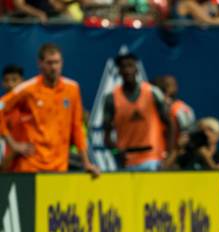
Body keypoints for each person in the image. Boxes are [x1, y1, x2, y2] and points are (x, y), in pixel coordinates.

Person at [0, 44, 99, 176]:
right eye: (49, 63)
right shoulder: (28, 89)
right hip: (31, 165)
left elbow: (77, 128)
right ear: (40, 64)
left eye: (57, 62)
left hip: (59, 167)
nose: (54, 67)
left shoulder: (72, 89)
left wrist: (86, 162)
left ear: (62, 63)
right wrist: (13, 144)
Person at [103, 53, 174, 171]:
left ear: (137, 69)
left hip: (153, 158)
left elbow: (169, 123)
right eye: (123, 67)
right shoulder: (111, 98)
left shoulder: (152, 92)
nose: (127, 70)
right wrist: (116, 152)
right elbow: (106, 136)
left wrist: (169, 154)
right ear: (119, 71)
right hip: (127, 161)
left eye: (130, 66)